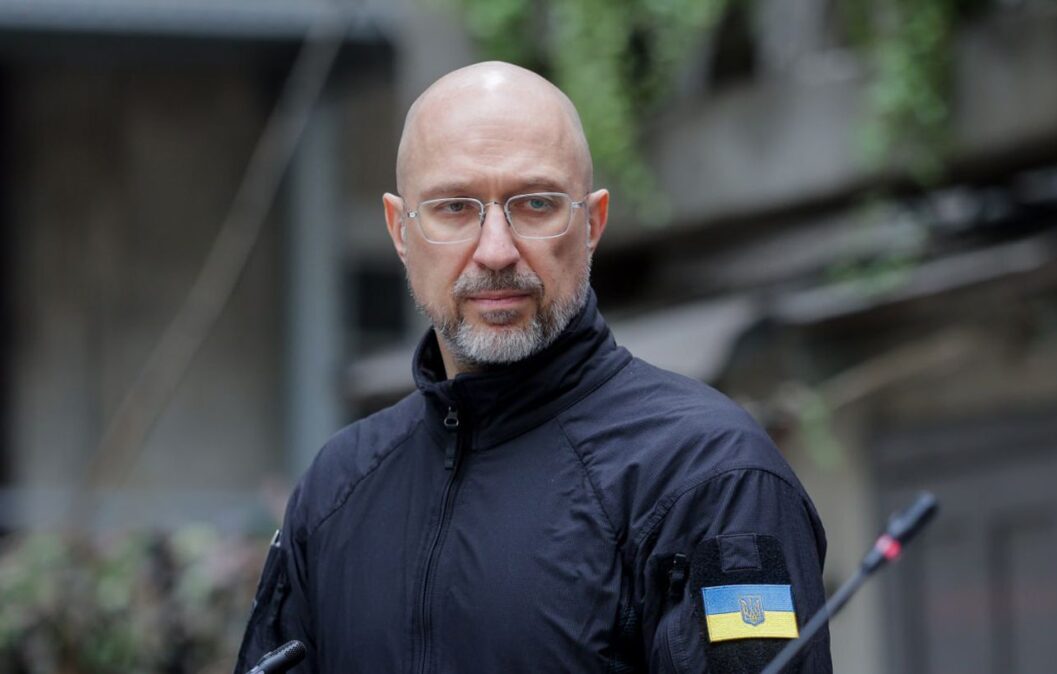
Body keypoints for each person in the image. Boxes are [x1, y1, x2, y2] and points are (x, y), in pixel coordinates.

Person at [234, 61, 831, 673]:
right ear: (400, 230)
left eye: (537, 203)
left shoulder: (711, 476)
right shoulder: (338, 488)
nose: (496, 251)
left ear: (592, 223)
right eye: (454, 207)